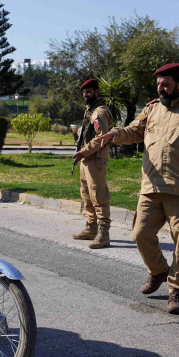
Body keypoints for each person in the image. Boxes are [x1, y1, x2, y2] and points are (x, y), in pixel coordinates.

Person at [96, 63, 179, 314]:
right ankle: (159, 271)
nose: (160, 88)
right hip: (151, 187)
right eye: (158, 84)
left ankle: (178, 290)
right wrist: (116, 133)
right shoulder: (152, 108)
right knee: (140, 234)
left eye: (166, 84)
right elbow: (134, 131)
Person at [70, 79, 115, 248]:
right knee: (87, 196)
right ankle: (91, 228)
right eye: (84, 92)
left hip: (96, 160)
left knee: (99, 197)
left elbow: (101, 138)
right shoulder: (90, 110)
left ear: (97, 92)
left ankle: (103, 234)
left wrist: (83, 152)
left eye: (88, 92)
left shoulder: (100, 112)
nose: (85, 95)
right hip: (87, 159)